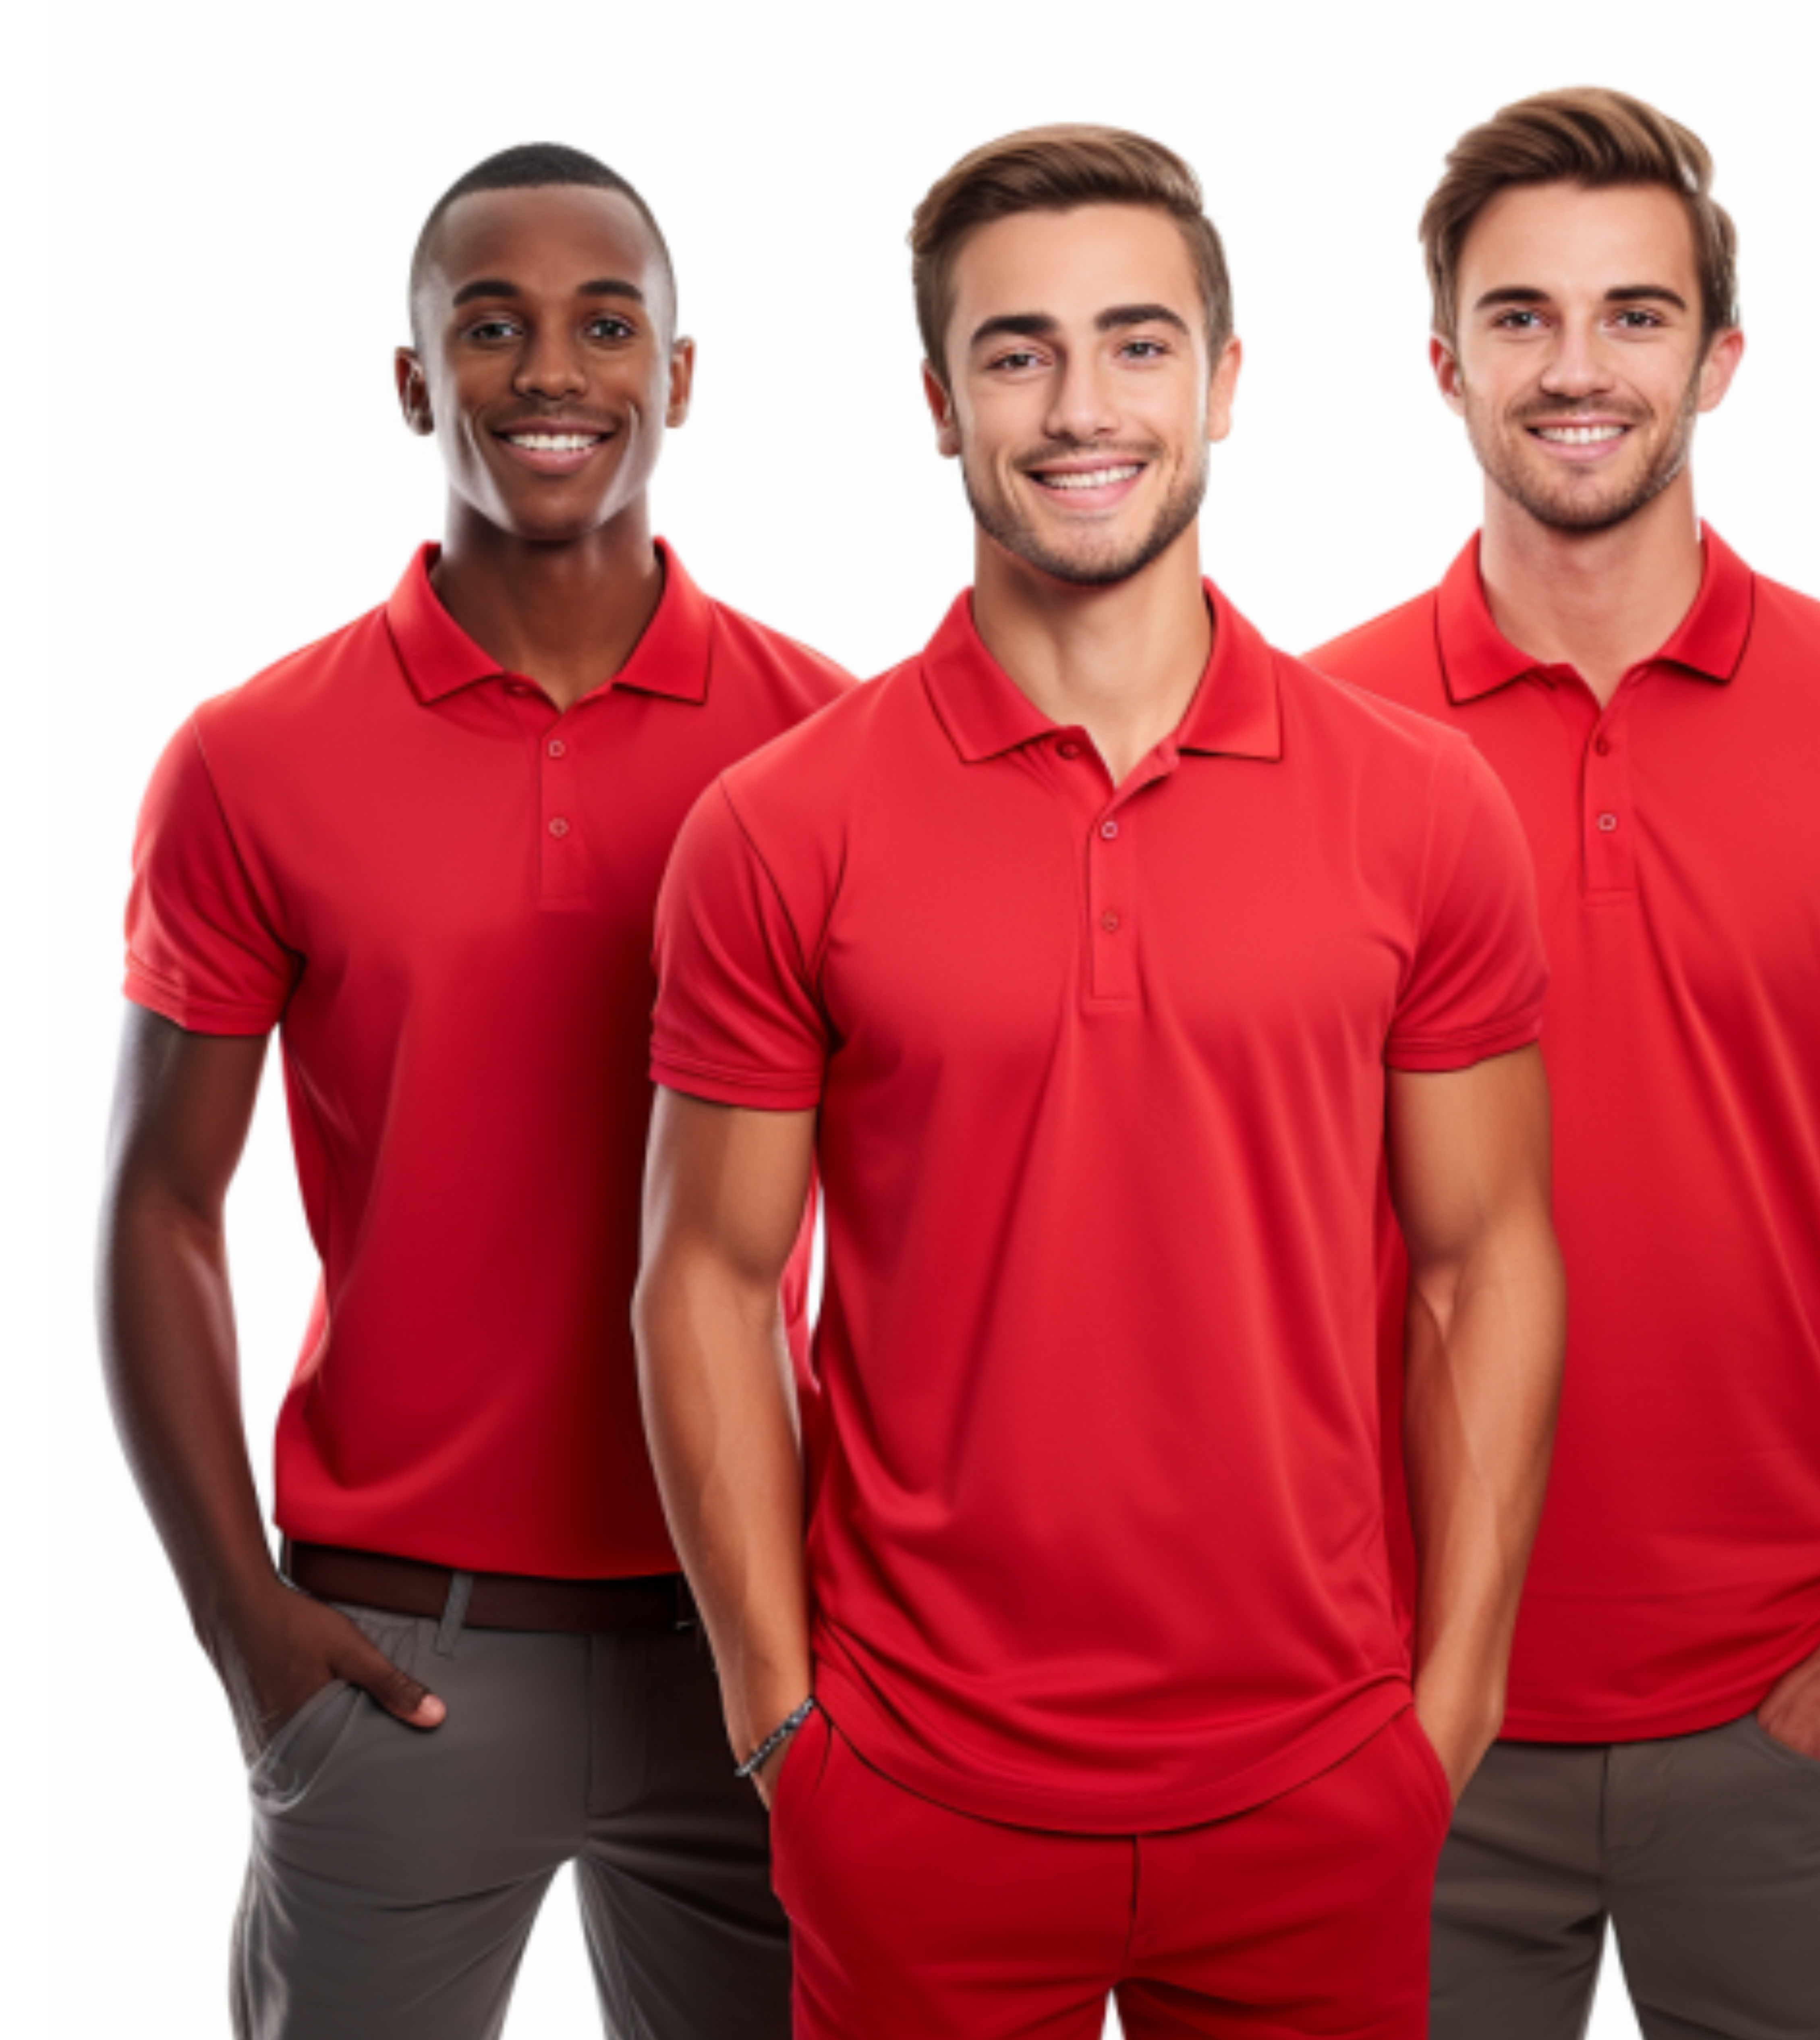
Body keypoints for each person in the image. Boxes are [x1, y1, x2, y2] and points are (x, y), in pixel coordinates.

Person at [636, 125, 1568, 2040]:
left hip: (1317, 1789)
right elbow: (710, 1282)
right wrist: (777, 1724)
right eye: (1016, 352)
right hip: (914, 1796)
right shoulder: (775, 826)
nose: (1082, 406)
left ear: (1224, 385)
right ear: (937, 400)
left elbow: (1488, 1260)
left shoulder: (1422, 808)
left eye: (1140, 345)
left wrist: (1444, 1715)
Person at [1306, 87, 1820, 2040]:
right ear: (1442, 362)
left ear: (1718, 356)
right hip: (1398, 1720)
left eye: (1635, 314)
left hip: (1792, 1725)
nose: (1576, 367)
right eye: (1520, 317)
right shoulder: (1305, 736)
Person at [97, 143, 847, 2040]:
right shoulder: (252, 761)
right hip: (397, 1648)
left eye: (607, 324)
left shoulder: (833, 744)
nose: (550, 372)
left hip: (756, 1635)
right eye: (490, 325)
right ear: (417, 378)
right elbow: (161, 1205)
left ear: (681, 374)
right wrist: (240, 1627)